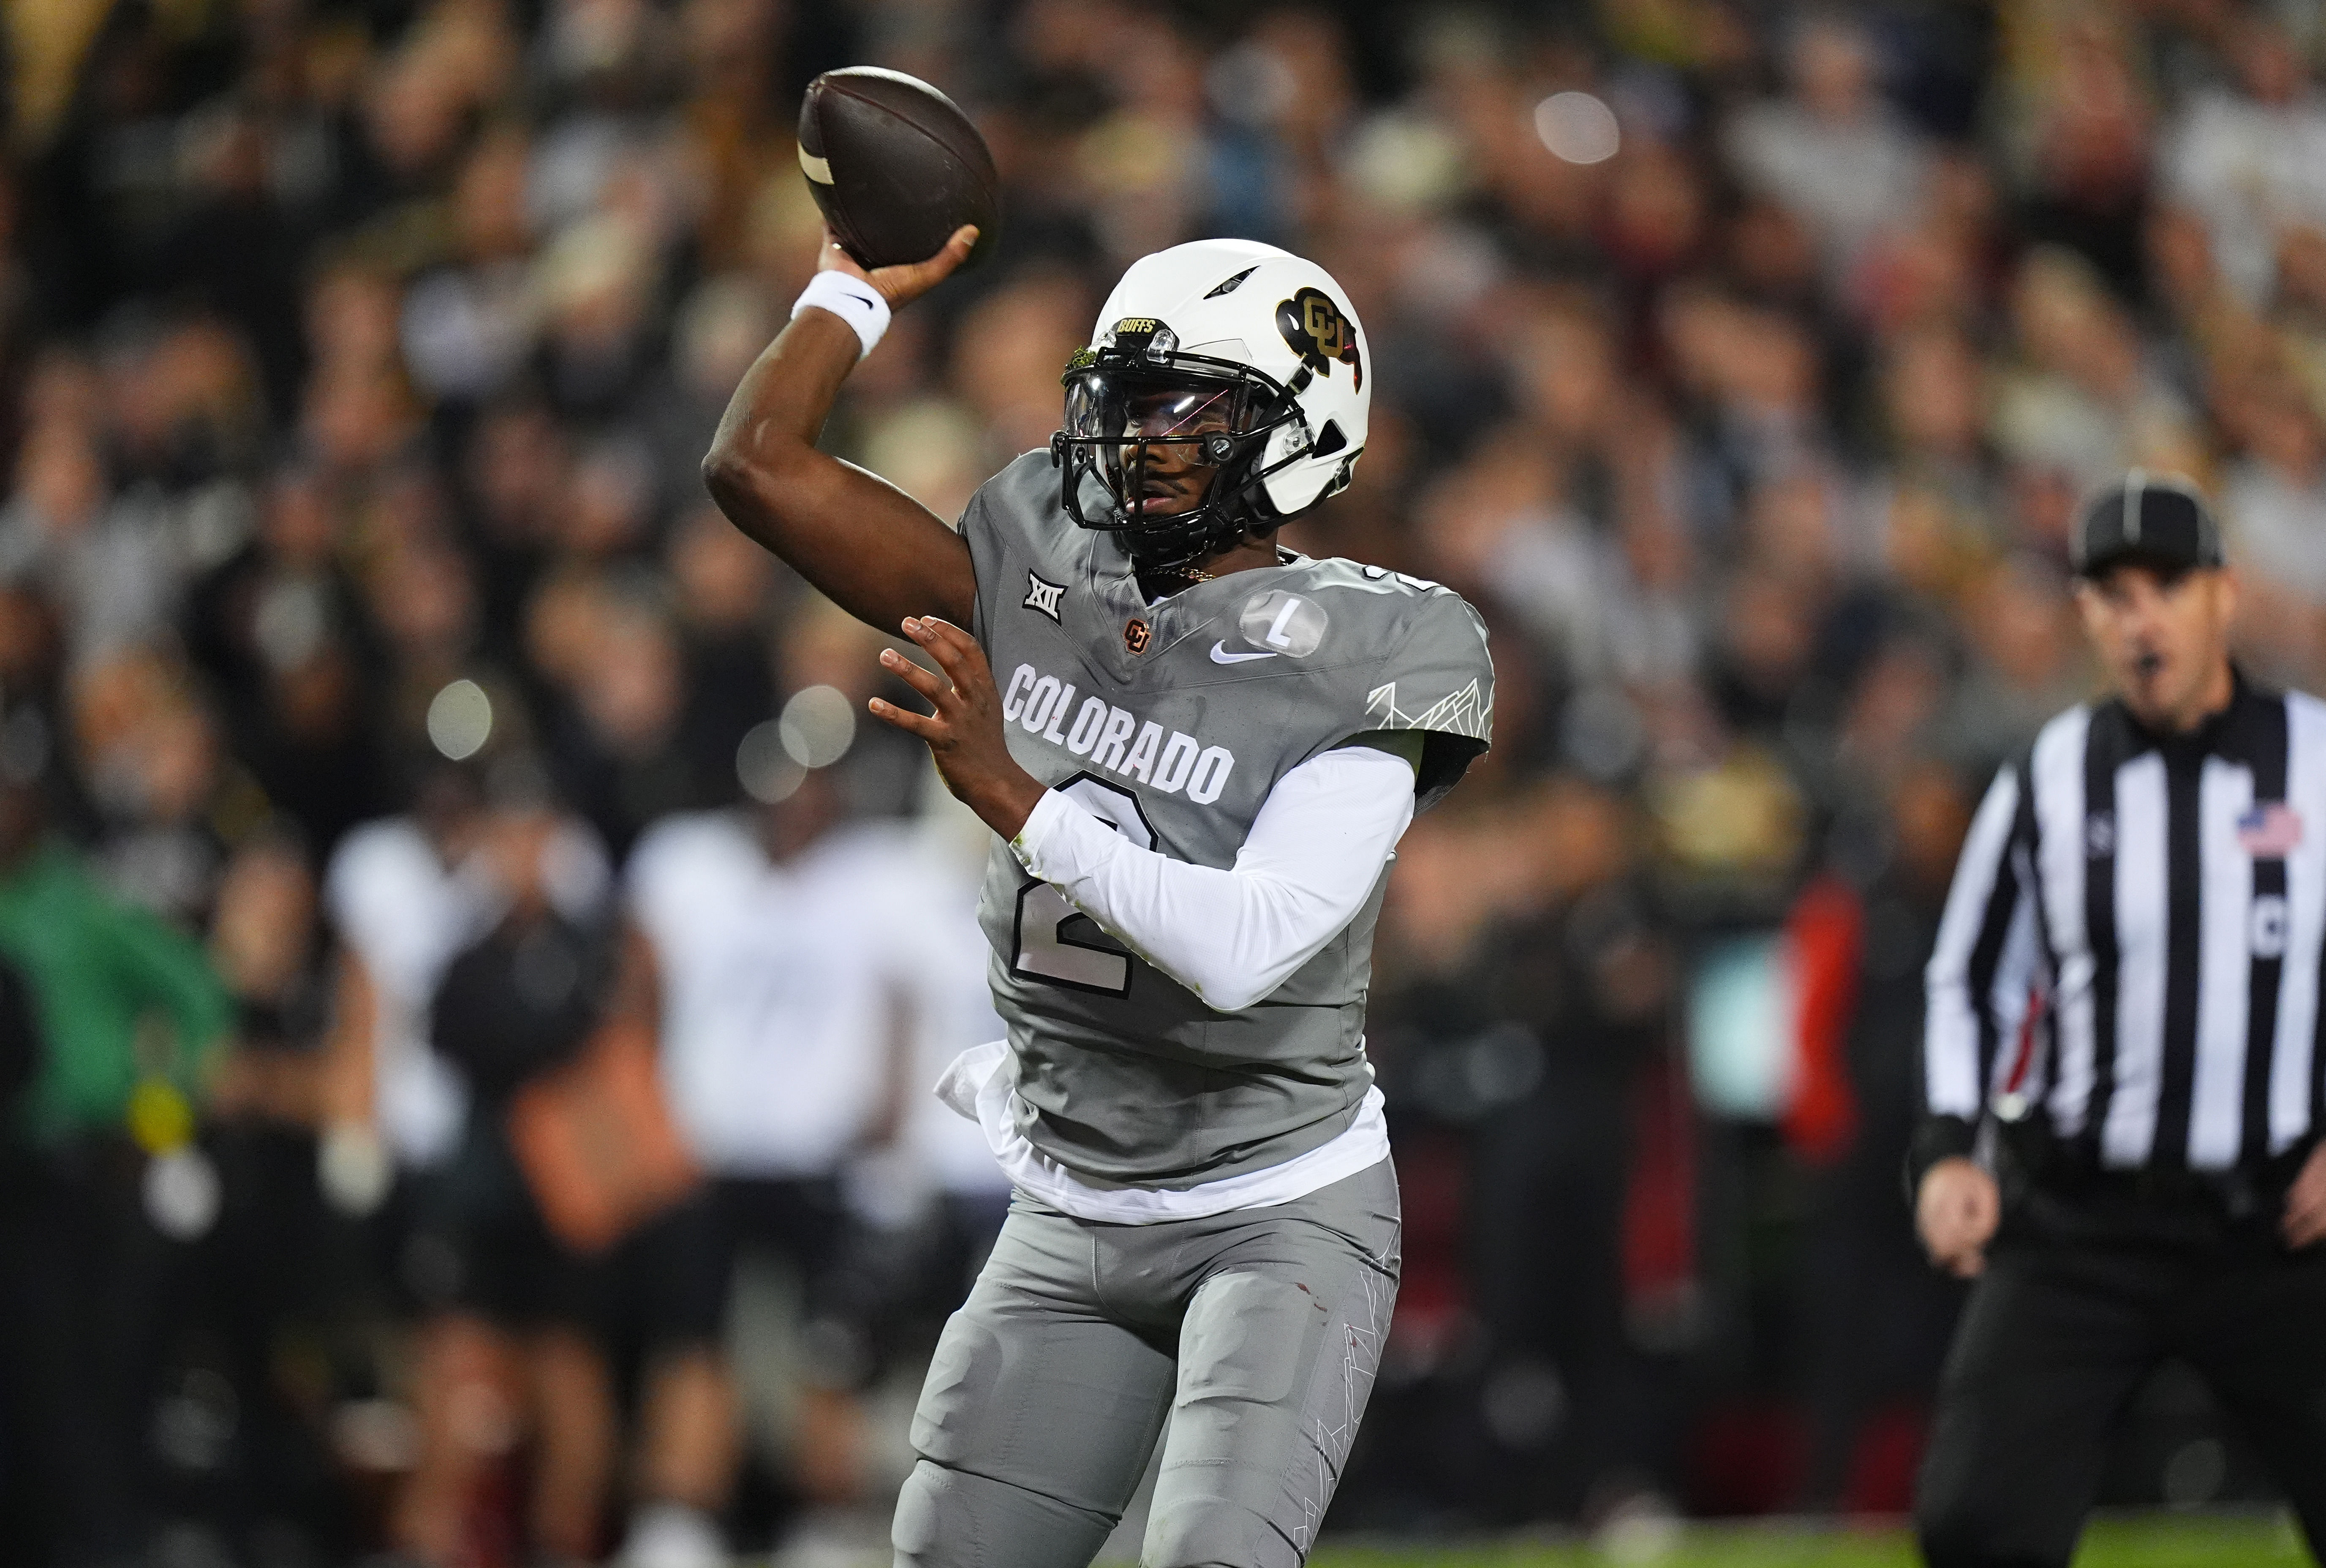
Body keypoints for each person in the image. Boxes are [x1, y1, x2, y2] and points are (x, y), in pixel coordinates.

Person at [703, 227, 1495, 1567]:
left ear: (1296, 425)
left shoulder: (1373, 652)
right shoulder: (1040, 563)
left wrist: (1014, 797)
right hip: (1071, 1198)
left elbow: (1243, 949)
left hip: (1273, 1200)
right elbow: (756, 467)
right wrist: (850, 287)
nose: (1135, 438)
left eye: (1182, 406)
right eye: (1124, 404)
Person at [1912, 474, 2326, 1566]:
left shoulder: (2316, 761)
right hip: (2082, 1226)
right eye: (2112, 595)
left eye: (2165, 588)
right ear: (2085, 615)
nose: (2141, 619)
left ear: (2221, 597)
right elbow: (1968, 979)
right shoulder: (2047, 777)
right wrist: (1952, 1149)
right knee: (1975, 1525)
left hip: (2278, 1221)